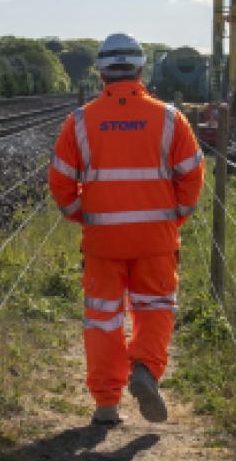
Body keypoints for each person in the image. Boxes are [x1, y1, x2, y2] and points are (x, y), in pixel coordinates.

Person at [47, 34, 205, 424]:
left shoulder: (80, 121)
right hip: (156, 239)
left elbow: (61, 182)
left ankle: (105, 403)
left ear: (101, 72)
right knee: (154, 309)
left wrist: (82, 215)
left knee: (102, 319)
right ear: (141, 69)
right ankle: (146, 370)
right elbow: (192, 177)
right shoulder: (170, 119)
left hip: (103, 240)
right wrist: (174, 217)